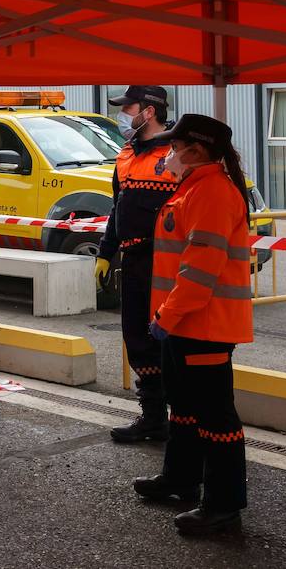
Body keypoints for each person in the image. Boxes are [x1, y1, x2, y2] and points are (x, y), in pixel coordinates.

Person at [132, 113, 254, 537]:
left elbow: (200, 271)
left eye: (175, 147)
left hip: (204, 324)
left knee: (214, 417)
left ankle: (223, 505)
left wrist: (166, 316)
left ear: (196, 151)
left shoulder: (213, 193)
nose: (169, 154)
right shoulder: (195, 188)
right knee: (183, 408)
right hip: (184, 322)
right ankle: (181, 481)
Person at [99, 86, 179, 443]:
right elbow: (119, 207)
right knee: (137, 338)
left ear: (148, 111)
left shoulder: (178, 153)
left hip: (167, 262)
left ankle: (184, 421)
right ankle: (152, 418)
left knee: (170, 340)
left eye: (127, 108)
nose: (123, 115)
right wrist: (105, 252)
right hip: (133, 260)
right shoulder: (127, 153)